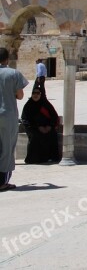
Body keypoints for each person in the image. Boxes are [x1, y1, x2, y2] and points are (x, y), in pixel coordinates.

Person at [0, 47, 29, 191]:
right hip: (7, 115)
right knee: (7, 148)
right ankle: (2, 182)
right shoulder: (13, 73)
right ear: (6, 60)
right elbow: (20, 95)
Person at [20, 83, 61, 164]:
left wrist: (49, 126)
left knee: (52, 134)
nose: (35, 95)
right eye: (34, 93)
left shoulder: (45, 104)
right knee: (36, 136)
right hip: (33, 128)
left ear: (40, 94)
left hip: (47, 127)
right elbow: (25, 120)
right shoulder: (28, 105)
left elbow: (54, 116)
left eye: (37, 93)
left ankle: (52, 157)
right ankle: (34, 159)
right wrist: (38, 127)